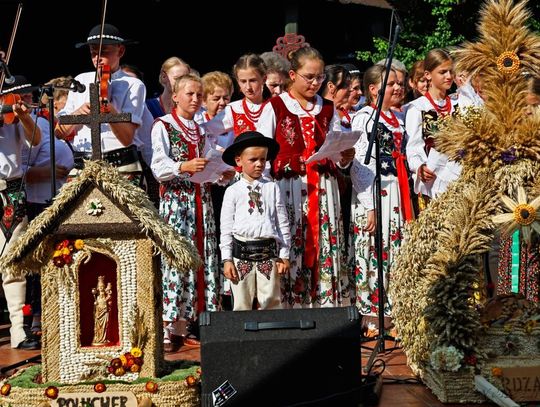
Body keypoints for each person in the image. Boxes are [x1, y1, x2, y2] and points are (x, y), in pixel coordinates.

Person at [257, 46, 355, 308]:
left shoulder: (327, 109)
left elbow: (334, 147)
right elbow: (261, 152)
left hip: (324, 189)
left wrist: (342, 158)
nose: (315, 83)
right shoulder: (275, 107)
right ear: (293, 74)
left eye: (320, 77)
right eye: (309, 77)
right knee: (293, 244)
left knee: (325, 243)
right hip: (290, 188)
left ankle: (326, 306)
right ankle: (292, 308)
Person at [151, 74, 232, 352]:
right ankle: (170, 324)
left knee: (203, 256)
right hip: (177, 203)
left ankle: (195, 322)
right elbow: (158, 166)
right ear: (175, 96)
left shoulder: (200, 129)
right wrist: (182, 166)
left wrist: (220, 172)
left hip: (201, 200)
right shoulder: (163, 125)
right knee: (176, 259)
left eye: (199, 95)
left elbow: (210, 159)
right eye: (190, 94)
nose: (196, 100)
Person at [349, 64, 413, 317]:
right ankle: (373, 313)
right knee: (375, 249)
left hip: (397, 191)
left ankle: (395, 308)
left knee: (395, 249)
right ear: (374, 89)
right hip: (377, 192)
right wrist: (369, 205)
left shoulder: (397, 118)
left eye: (400, 82)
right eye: (391, 83)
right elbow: (360, 164)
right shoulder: (364, 117)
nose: (398, 87)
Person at [55, 23, 146, 185]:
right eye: (93, 53)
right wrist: (78, 113)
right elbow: (59, 133)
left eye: (104, 52)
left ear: (121, 51)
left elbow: (127, 138)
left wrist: (109, 112)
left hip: (120, 165)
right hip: (84, 163)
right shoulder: (81, 80)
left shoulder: (133, 85)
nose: (97, 58)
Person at [220, 131, 290, 310]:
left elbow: (282, 223)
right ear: (238, 161)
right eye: (253, 160)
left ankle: (271, 336)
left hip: (268, 254)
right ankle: (242, 337)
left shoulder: (272, 188)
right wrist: (227, 259)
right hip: (240, 255)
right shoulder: (232, 191)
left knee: (271, 302)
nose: (259, 164)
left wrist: (284, 254)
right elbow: (226, 228)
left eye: (263, 159)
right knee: (242, 304)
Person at [0, 75, 42, 349]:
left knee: (13, 262)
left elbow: (36, 139)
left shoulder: (10, 104)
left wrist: (24, 116)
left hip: (9, 191)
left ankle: (18, 331)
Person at [405, 48, 461, 210]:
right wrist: (419, 167)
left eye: (451, 71)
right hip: (434, 181)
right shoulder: (417, 108)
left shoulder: (459, 104)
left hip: (459, 178)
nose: (449, 76)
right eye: (443, 72)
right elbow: (413, 146)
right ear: (428, 75)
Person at [203, 53, 267, 143]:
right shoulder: (234, 109)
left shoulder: (274, 106)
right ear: (238, 81)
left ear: (264, 79)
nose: (248, 87)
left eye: (252, 80)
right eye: (243, 81)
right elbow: (204, 132)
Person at [91, 276, 113, 345]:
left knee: (105, 326)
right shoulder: (97, 297)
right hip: (98, 314)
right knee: (98, 327)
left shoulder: (106, 296)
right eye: (100, 287)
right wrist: (95, 304)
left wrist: (108, 299)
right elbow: (96, 306)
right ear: (97, 288)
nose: (101, 288)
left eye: (102, 286)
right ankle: (98, 339)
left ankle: (105, 338)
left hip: (105, 313)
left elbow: (107, 302)